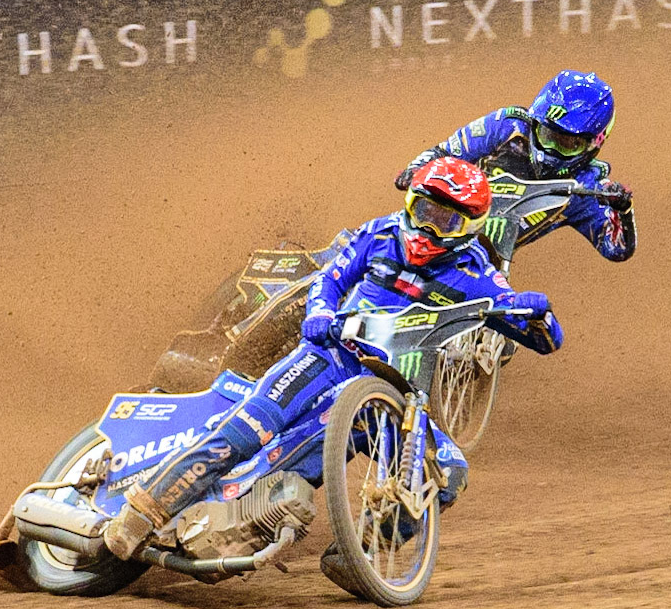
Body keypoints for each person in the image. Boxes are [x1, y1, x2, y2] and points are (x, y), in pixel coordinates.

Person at [103, 158, 565, 562]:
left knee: (449, 473)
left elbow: (545, 339)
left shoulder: (476, 274)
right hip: (328, 356)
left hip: (392, 399)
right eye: (423, 212)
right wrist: (321, 312)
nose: (427, 229)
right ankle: (144, 513)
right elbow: (330, 280)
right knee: (248, 432)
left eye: (444, 221)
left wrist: (539, 316)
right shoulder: (378, 233)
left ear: (469, 226)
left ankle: (356, 557)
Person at [395, 69, 636, 263]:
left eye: (567, 144)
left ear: (594, 143)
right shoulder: (506, 127)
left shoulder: (587, 187)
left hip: (479, 267)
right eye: (547, 136)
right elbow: (445, 152)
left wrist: (621, 210)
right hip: (429, 226)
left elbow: (615, 249)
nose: (550, 150)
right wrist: (416, 169)